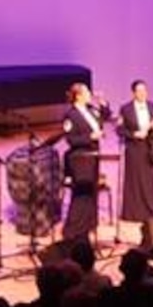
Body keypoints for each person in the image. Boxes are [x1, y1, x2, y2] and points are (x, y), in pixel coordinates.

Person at [117, 79, 153, 227]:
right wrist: (134, 134)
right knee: (135, 180)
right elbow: (120, 130)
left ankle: (152, 210)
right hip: (134, 148)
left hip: (150, 148)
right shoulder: (125, 109)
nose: (143, 93)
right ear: (133, 93)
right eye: (139, 91)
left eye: (144, 90)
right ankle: (135, 212)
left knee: (151, 180)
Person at [60, 81, 106, 244]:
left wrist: (103, 104)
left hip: (93, 156)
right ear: (78, 96)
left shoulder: (91, 110)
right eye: (87, 92)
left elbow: (104, 117)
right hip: (79, 159)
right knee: (81, 195)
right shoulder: (70, 115)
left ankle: (88, 224)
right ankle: (73, 229)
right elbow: (71, 140)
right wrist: (90, 137)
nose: (90, 95)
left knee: (92, 192)